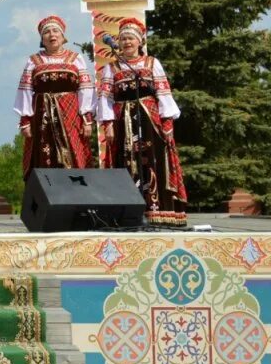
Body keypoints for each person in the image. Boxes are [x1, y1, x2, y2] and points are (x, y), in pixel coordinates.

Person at [98, 18, 188, 226]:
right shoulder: (111, 68)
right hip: (123, 121)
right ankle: (128, 212)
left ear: (140, 42)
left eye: (131, 38)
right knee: (126, 162)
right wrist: (108, 124)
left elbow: (163, 93)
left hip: (150, 121)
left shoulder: (151, 63)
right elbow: (106, 97)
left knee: (151, 162)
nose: (127, 42)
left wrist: (167, 124)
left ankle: (156, 211)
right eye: (123, 39)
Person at [13, 15, 95, 178]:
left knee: (73, 151)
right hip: (42, 116)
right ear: (42, 39)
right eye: (47, 32)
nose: (52, 35)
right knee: (45, 153)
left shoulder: (75, 59)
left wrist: (87, 118)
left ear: (63, 36)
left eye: (56, 31)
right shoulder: (34, 61)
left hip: (70, 115)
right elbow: (25, 91)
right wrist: (25, 121)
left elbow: (85, 89)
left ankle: (77, 195)